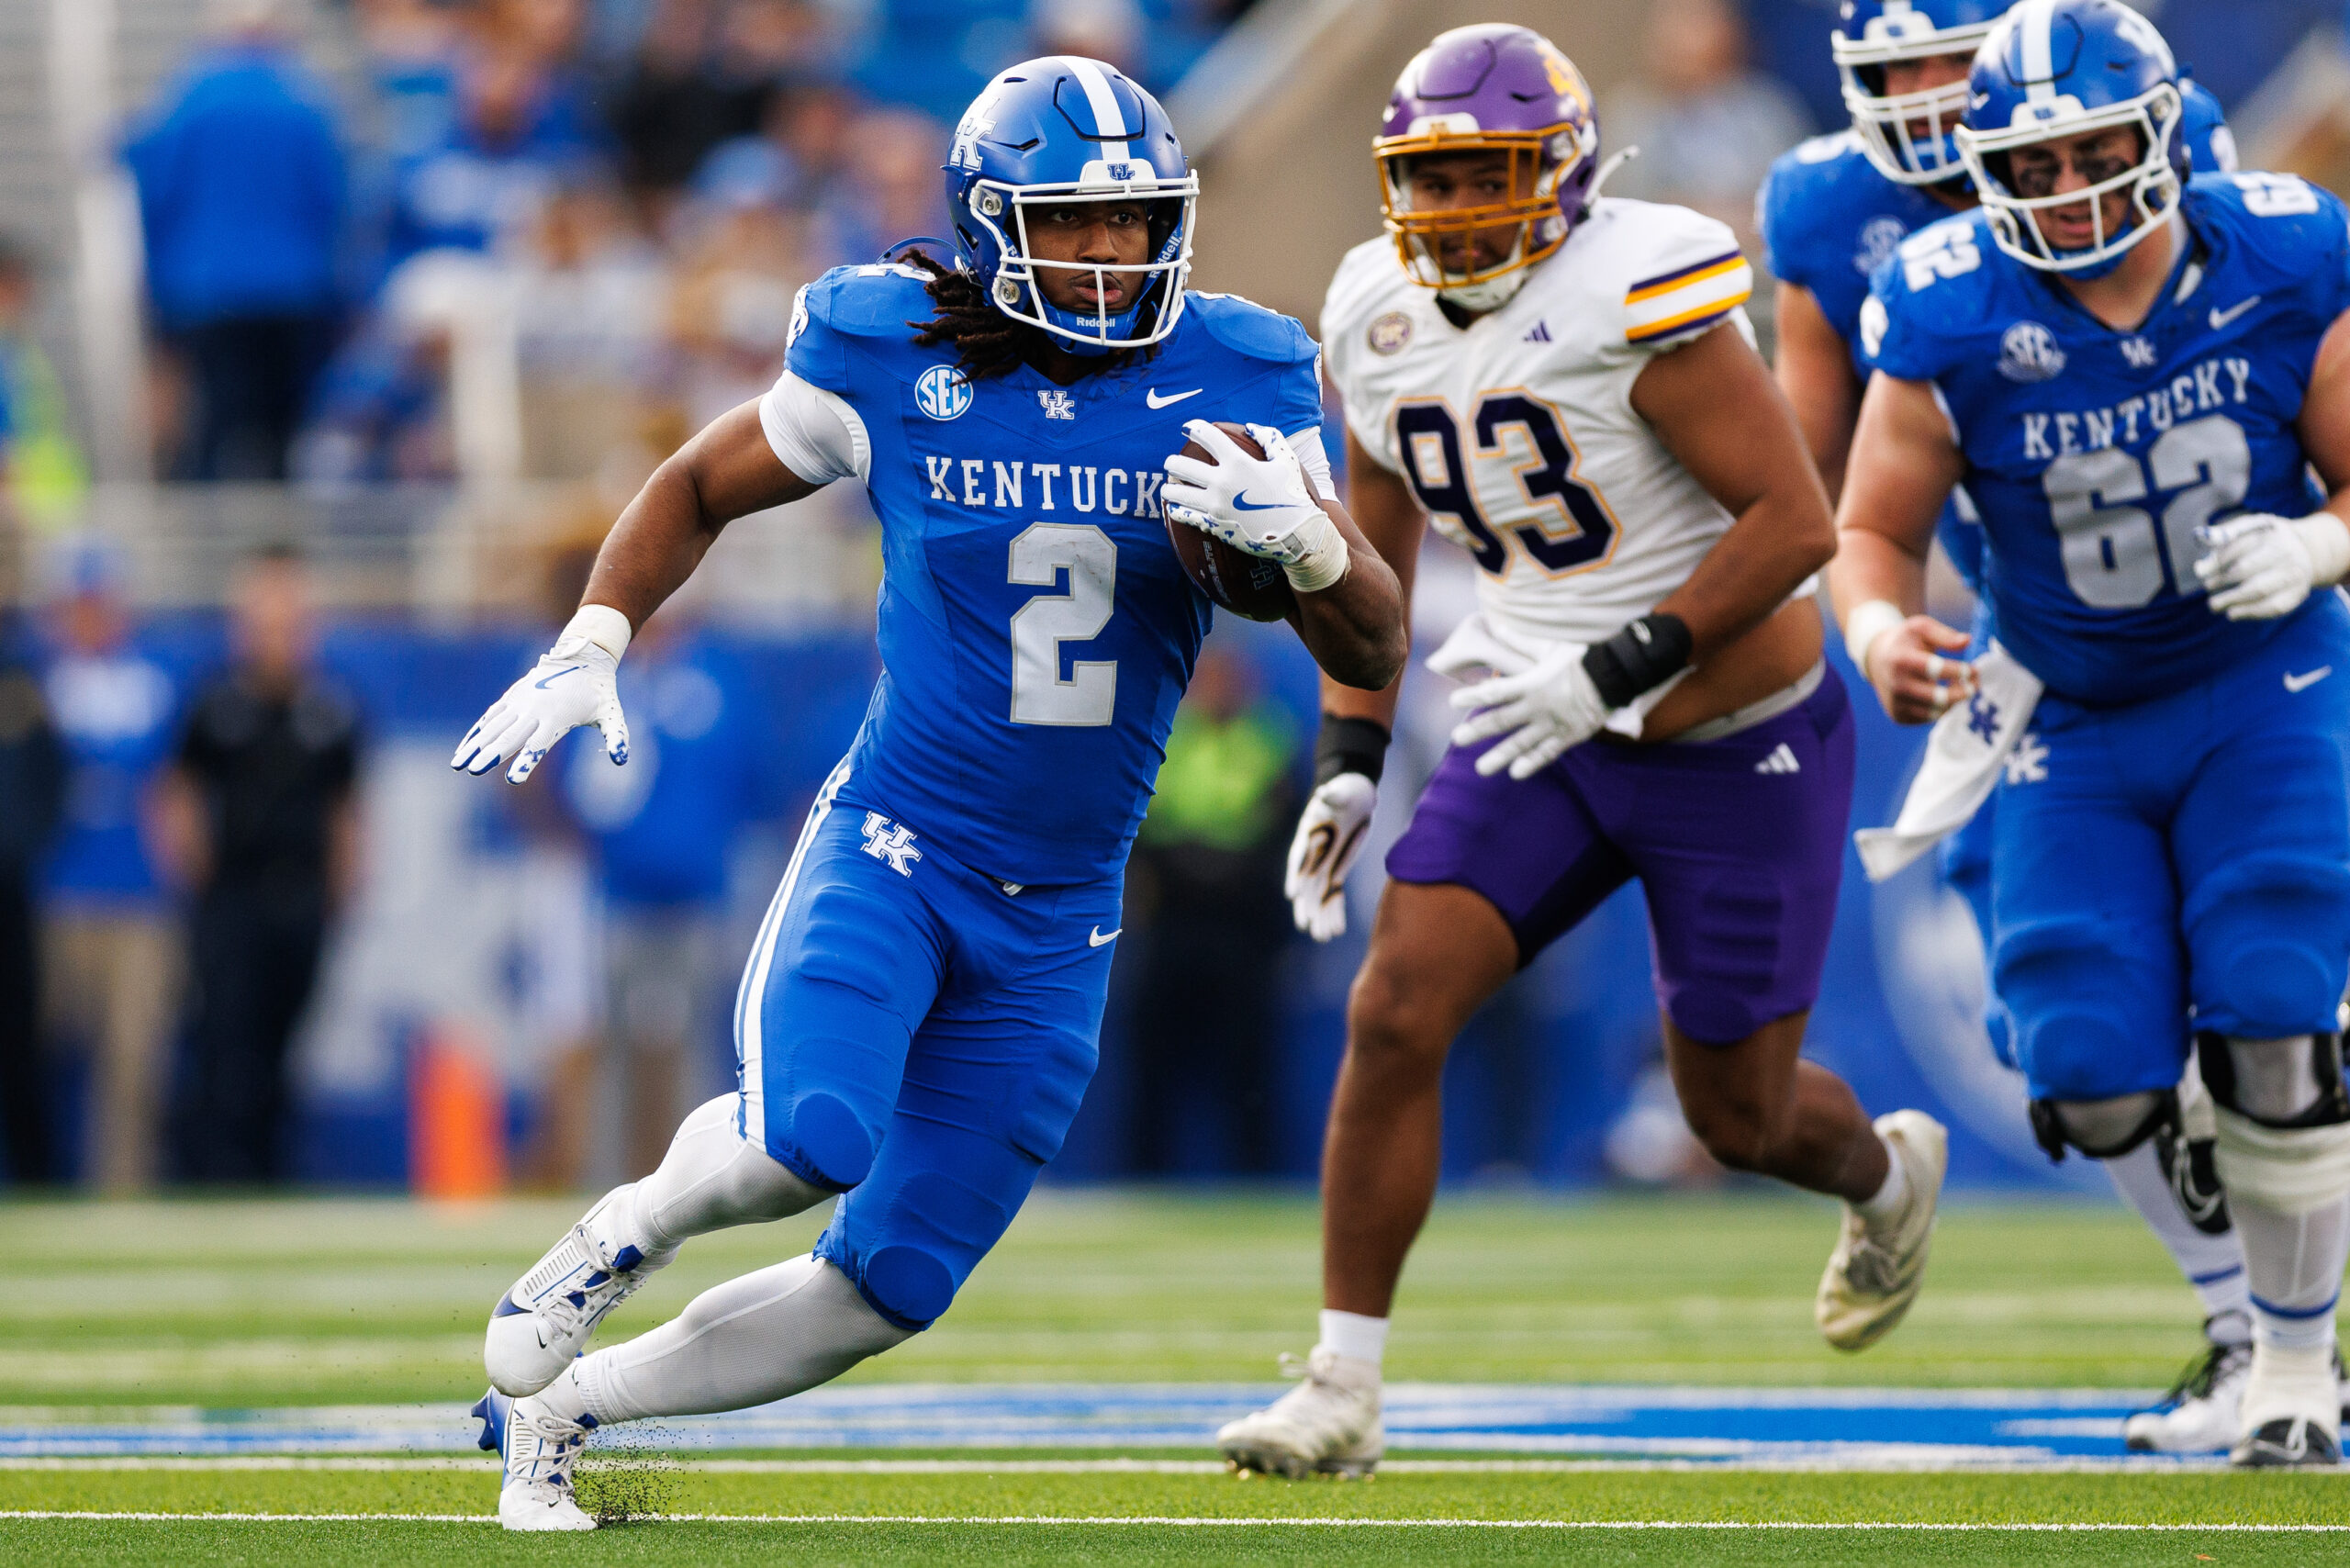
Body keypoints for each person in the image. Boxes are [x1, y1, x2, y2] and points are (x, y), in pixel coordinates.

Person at [449, 55, 1406, 1531]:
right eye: (1073, 226)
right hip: (901, 844)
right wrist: (596, 635)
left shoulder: (1248, 369)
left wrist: (1314, 547)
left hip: (1068, 907)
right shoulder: (892, 346)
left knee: (894, 1283)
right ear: (987, 221)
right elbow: (701, 483)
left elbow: (1374, 637)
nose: (1110, 256)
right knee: (800, 1140)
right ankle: (617, 1233)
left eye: (1136, 222)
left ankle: (562, 1416)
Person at [1215, 23, 1946, 1482]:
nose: (1454, 210)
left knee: (1734, 1116)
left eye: (1486, 174)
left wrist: (1614, 668)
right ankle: (1342, 1384)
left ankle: (1885, 1173)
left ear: (1561, 171)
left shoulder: (1639, 283)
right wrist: (1351, 758)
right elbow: (1376, 561)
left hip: (1732, 737)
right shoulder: (1376, 309)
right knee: (1396, 1009)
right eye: (1427, 180)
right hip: (1534, 723)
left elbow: (1797, 526)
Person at [1830, 0, 2350, 1468]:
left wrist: (2318, 550)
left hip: (2260, 684)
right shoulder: (1952, 305)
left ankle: (2302, 1375)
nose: (2066, 189)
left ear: (2165, 135)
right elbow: (1871, 524)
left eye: (2095, 151)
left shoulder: (2280, 252)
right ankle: (2239, 1327)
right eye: (2035, 163)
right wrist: (1877, 630)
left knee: (2271, 1005)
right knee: (2084, 1054)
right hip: (2067, 703)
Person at [161, 549, 363, 1182]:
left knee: (284, 1042)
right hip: (234, 897)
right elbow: (178, 792)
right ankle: (221, 1173)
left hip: (300, 899)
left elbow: (348, 812)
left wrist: (340, 890)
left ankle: (270, 1172)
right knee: (227, 1042)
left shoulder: (329, 710)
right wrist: (197, 875)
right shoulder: (217, 703)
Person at [123, 0, 347, 481]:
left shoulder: (189, 97)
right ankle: (278, 542)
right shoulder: (303, 98)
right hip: (294, 288)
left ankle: (208, 542)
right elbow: (330, 198)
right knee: (283, 431)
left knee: (211, 425)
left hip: (204, 289)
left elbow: (157, 190)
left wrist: (158, 283)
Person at [38, 543, 182, 1193]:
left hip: (138, 894)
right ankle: (38, 1183)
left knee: (133, 1059)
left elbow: (175, 789)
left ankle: (121, 1190)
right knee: (43, 1049)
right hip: (55, 893)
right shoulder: (37, 682)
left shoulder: (153, 681)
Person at [1124, 641, 1297, 1175]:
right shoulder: (1172, 739)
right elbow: (1146, 828)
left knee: (1249, 1064)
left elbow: (1280, 829)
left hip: (1242, 928)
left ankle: (1256, 1178)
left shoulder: (1270, 740)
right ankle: (1144, 1177)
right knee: (1156, 1063)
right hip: (1176, 922)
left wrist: (1206, 865)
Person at [0, 630, 65, 1185]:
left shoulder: (21, 679)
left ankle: (34, 1177)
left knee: (21, 1047)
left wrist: (20, 847)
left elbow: (51, 776)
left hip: (10, 889)